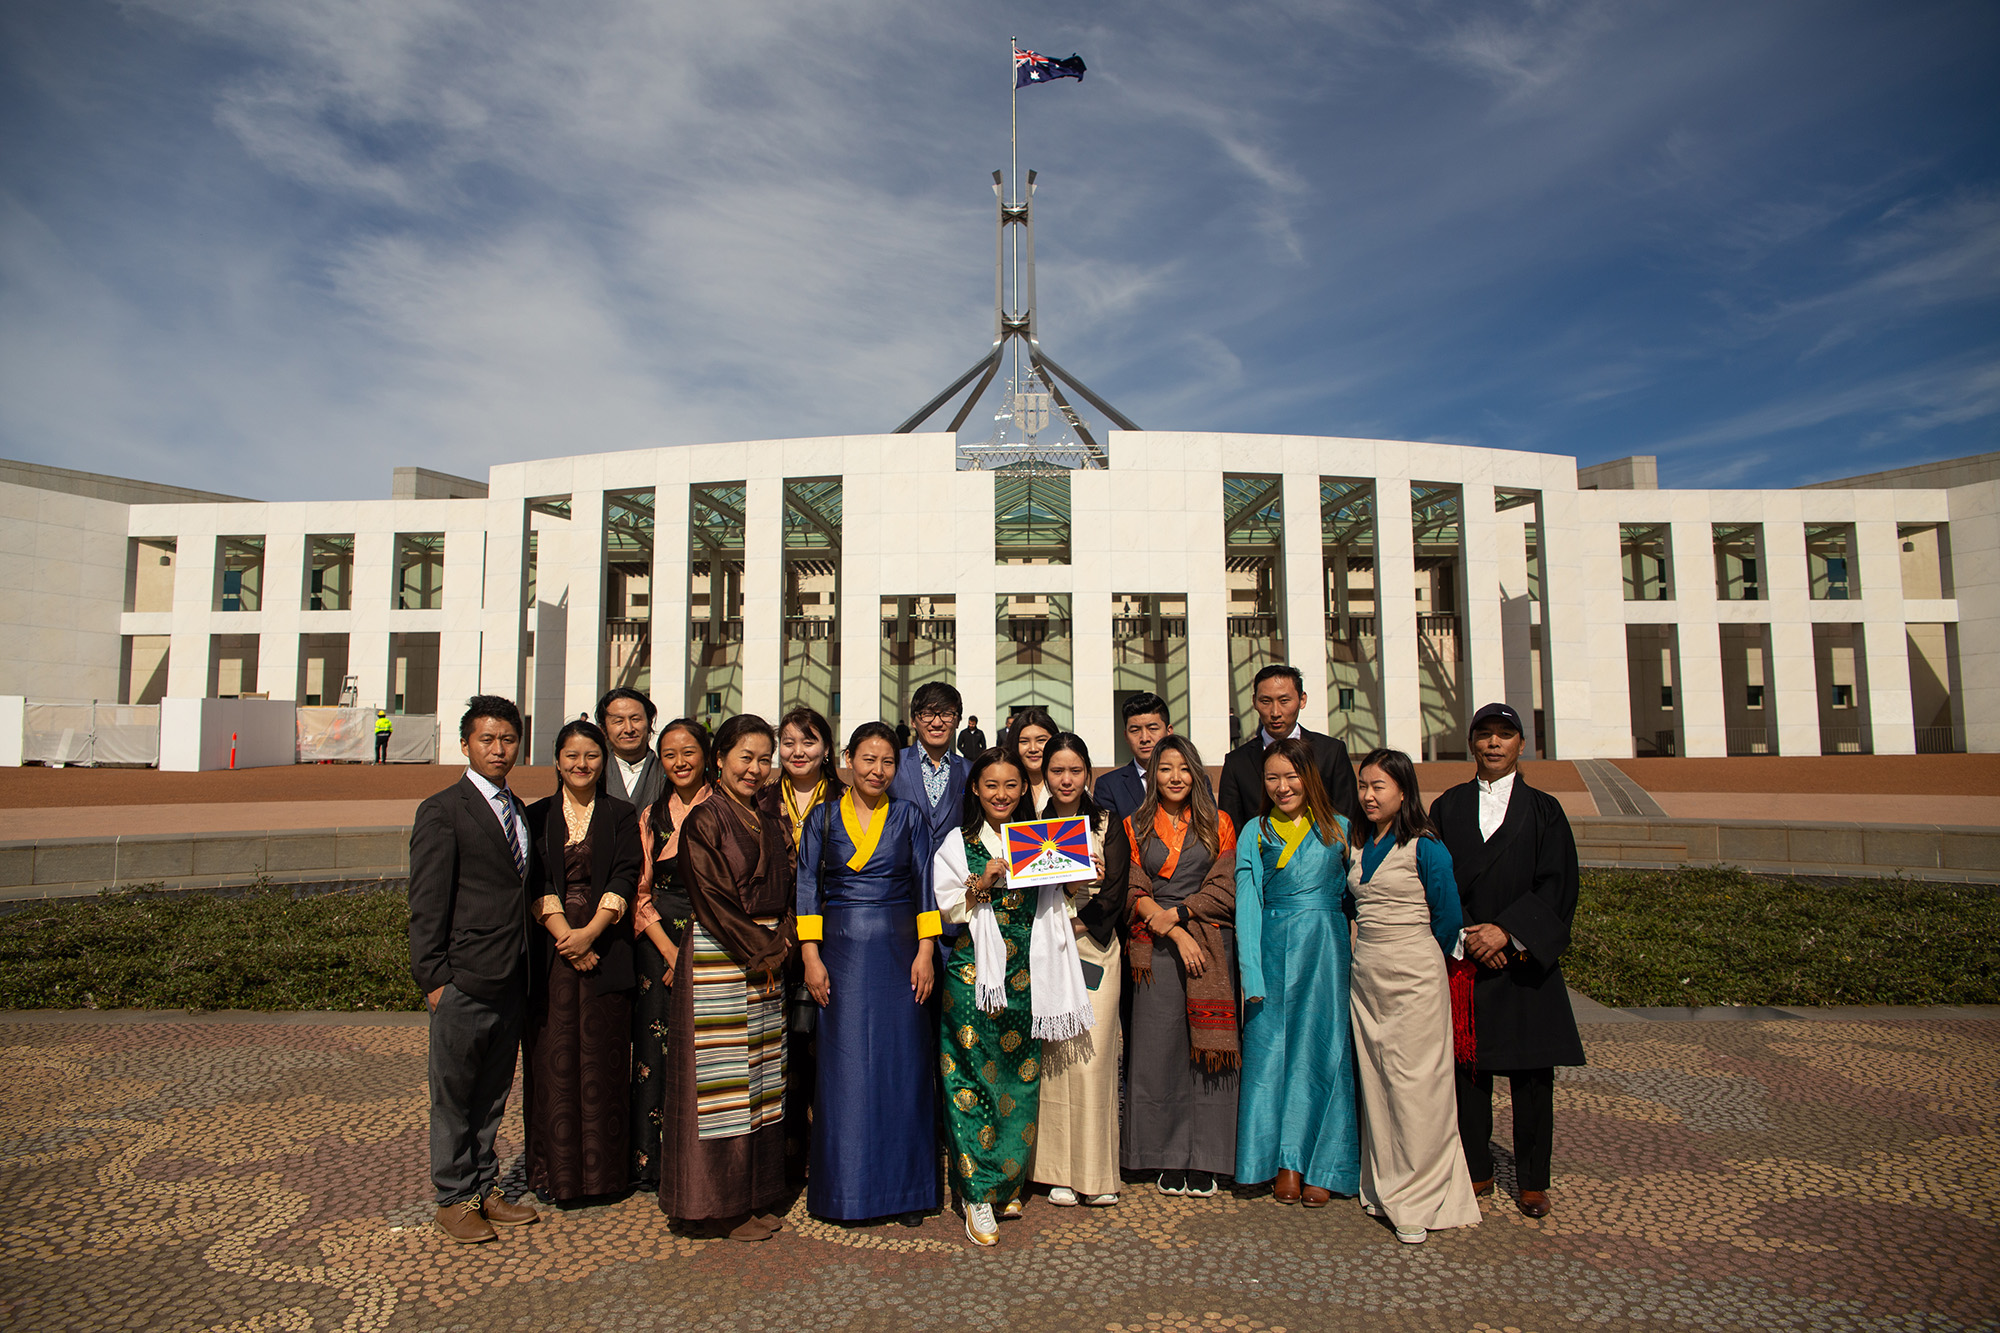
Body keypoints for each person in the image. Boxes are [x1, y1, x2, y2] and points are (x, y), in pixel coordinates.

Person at [933, 748, 1095, 1246]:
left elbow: (1065, 901)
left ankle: (1006, 1182)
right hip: (974, 975)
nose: (1001, 794)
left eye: (1010, 785)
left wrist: (1077, 878)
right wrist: (983, 884)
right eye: (991, 785)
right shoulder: (958, 843)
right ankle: (975, 1193)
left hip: (1028, 974)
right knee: (966, 1078)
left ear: (1024, 788)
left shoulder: (1042, 839)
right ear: (975, 789)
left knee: (1020, 1078)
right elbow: (949, 910)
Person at [1430, 702, 1586, 1220]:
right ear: (1471, 743)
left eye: (1505, 734)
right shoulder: (1447, 806)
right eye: (1485, 734)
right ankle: (1476, 1167)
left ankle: (1533, 1180)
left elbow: (1559, 885)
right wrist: (1467, 934)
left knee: (1533, 1078)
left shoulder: (1544, 810)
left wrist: (1508, 934)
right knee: (1468, 1070)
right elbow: (1434, 879)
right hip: (1468, 957)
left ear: (1522, 743)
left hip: (1524, 965)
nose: (1494, 743)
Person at [406, 695, 542, 1243]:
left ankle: (486, 1187)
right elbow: (427, 900)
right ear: (465, 745)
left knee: (491, 1095)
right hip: (463, 980)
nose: (498, 749)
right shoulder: (442, 810)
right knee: (454, 1097)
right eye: (487, 739)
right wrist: (435, 979)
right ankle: (453, 1198)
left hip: (512, 976)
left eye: (508, 740)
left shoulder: (519, 809)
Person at [796, 722, 941, 1223]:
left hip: (900, 954)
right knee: (846, 1071)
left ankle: (908, 1192)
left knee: (904, 1067)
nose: (877, 771)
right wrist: (811, 956)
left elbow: (924, 883)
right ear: (848, 760)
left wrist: (926, 950)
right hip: (839, 955)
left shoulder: (908, 815)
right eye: (868, 760)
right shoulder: (821, 818)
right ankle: (847, 1191)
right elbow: (807, 887)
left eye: (887, 762)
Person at [659, 715, 796, 1241]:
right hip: (722, 956)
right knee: (723, 1085)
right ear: (720, 759)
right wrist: (767, 948)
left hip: (767, 959)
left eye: (765, 759)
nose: (755, 769)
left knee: (760, 1079)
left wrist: (785, 936)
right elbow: (712, 897)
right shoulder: (705, 818)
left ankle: (752, 1194)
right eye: (746, 757)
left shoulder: (769, 816)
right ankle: (716, 1204)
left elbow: (791, 881)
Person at [1347, 749, 1479, 1245]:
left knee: (1417, 1084)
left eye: (1379, 786)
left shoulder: (1426, 847)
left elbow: (1448, 919)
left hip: (1415, 976)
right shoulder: (1359, 843)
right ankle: (1385, 1185)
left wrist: (1417, 958)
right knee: (1378, 1081)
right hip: (1367, 978)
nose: (1369, 795)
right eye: (1363, 785)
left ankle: (1422, 1196)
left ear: (1404, 791)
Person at [521, 719, 644, 1203]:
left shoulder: (621, 813)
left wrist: (591, 933)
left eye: (591, 756)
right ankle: (555, 1175)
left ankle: (604, 1177)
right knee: (551, 1061)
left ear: (603, 761)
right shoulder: (536, 814)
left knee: (603, 1061)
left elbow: (626, 873)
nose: (581, 764)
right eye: (571, 755)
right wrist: (566, 938)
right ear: (557, 761)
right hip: (552, 953)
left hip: (606, 947)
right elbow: (534, 879)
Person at [1234, 737, 1360, 1207]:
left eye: (1291, 776)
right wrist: (1251, 972)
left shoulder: (1342, 829)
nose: (1282, 787)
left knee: (1323, 1051)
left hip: (1326, 951)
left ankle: (1324, 1165)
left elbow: (1357, 898)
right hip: (1270, 948)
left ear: (1310, 778)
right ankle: (1280, 1162)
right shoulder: (1255, 830)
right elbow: (1248, 902)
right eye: (1273, 778)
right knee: (1270, 1057)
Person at [1118, 734, 1240, 1197]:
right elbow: (1132, 887)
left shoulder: (1219, 823)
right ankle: (1163, 1154)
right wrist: (1173, 929)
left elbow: (1225, 886)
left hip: (1209, 942)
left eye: (1184, 768)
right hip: (1155, 947)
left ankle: (1207, 1156)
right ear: (1153, 775)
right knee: (1158, 1049)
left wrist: (1183, 915)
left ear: (1196, 773)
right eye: (1165, 769)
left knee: (1209, 1049)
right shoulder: (1134, 823)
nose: (1175, 778)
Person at [1031, 732, 1124, 1209]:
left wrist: (1079, 924)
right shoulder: (1029, 825)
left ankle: (1097, 1172)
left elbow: (1117, 889)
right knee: (1054, 1061)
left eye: (1074, 770)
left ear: (1088, 772)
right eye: (1056, 771)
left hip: (1093, 949)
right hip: (1048, 949)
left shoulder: (1107, 822)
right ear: (1044, 775)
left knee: (1092, 1058)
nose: (1066, 779)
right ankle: (1057, 1172)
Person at [628, 718, 713, 1192]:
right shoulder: (652, 816)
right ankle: (651, 1161)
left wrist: (694, 952)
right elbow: (639, 891)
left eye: (689, 752)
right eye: (669, 755)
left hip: (712, 939)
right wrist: (670, 952)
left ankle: (702, 1160)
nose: (680, 762)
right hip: (659, 940)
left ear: (707, 754)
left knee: (707, 1051)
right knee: (654, 1050)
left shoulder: (723, 808)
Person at [1217, 666, 1361, 834]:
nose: (1275, 712)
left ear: (1302, 700)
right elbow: (1231, 829)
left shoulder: (1331, 752)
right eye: (1266, 701)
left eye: (1284, 701)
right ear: (1254, 702)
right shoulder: (1237, 762)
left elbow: (1347, 816)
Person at [888, 682, 969, 862]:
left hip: (954, 874)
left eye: (947, 714)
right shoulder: (893, 764)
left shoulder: (970, 771)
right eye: (927, 714)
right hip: (901, 872)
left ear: (957, 721)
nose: (937, 723)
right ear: (913, 720)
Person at [1093, 692, 1171, 825]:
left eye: (1152, 728)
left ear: (1169, 731)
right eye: (1135, 730)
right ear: (1126, 736)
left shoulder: (1193, 780)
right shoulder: (1109, 786)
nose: (1144, 738)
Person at [776, 707, 840, 845]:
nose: (798, 752)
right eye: (789, 744)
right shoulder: (761, 797)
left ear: (826, 748)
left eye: (808, 743)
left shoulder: (845, 798)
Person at [597, 687, 666, 812]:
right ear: (604, 728)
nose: (629, 729)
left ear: (650, 723)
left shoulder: (667, 773)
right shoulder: (596, 774)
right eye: (618, 721)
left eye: (635, 719)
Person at [1003, 707, 1059, 814]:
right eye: (1024, 741)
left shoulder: (1068, 784)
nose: (1033, 749)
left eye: (1041, 740)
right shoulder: (1002, 787)